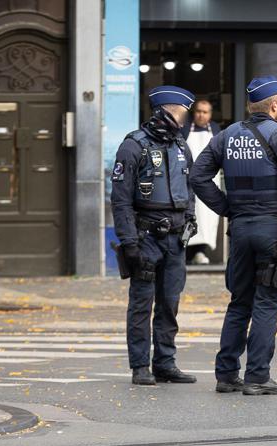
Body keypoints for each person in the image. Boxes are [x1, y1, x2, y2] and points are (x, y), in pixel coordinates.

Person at [191, 76, 277, 396]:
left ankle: (226, 374)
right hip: (273, 232)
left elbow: (198, 176)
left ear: (251, 105)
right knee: (266, 303)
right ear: (275, 105)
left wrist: (226, 208)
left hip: (239, 230)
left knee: (240, 301)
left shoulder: (227, 136)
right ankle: (258, 376)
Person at [110, 85, 198, 386]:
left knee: (169, 303)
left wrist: (190, 220)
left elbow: (189, 189)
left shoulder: (180, 146)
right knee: (141, 304)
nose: (185, 119)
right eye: (183, 113)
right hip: (146, 237)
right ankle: (139, 366)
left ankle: (165, 363)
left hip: (175, 238)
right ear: (169, 111)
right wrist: (129, 242)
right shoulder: (133, 145)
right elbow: (120, 199)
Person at [181, 99, 222, 265]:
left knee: (207, 217)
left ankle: (200, 251)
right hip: (187, 181)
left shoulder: (216, 130)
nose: (201, 115)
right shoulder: (184, 129)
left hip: (210, 181)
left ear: (210, 114)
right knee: (188, 215)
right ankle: (185, 252)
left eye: (205, 112)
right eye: (198, 111)